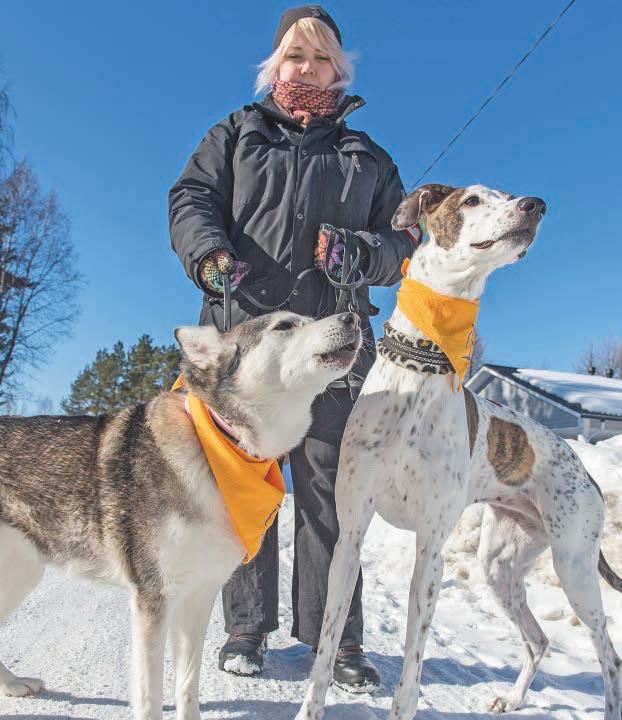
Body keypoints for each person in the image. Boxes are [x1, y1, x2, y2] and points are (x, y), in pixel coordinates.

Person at [168, 4, 418, 691]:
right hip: (247, 342)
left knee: (329, 491)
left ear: (342, 69)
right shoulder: (237, 134)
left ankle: (335, 637)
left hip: (332, 346)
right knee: (241, 484)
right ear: (273, 67)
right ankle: (246, 627)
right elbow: (191, 198)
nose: (307, 68)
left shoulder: (367, 156)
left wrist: (354, 251)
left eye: (321, 58)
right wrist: (209, 254)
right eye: (294, 57)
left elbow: (404, 246)